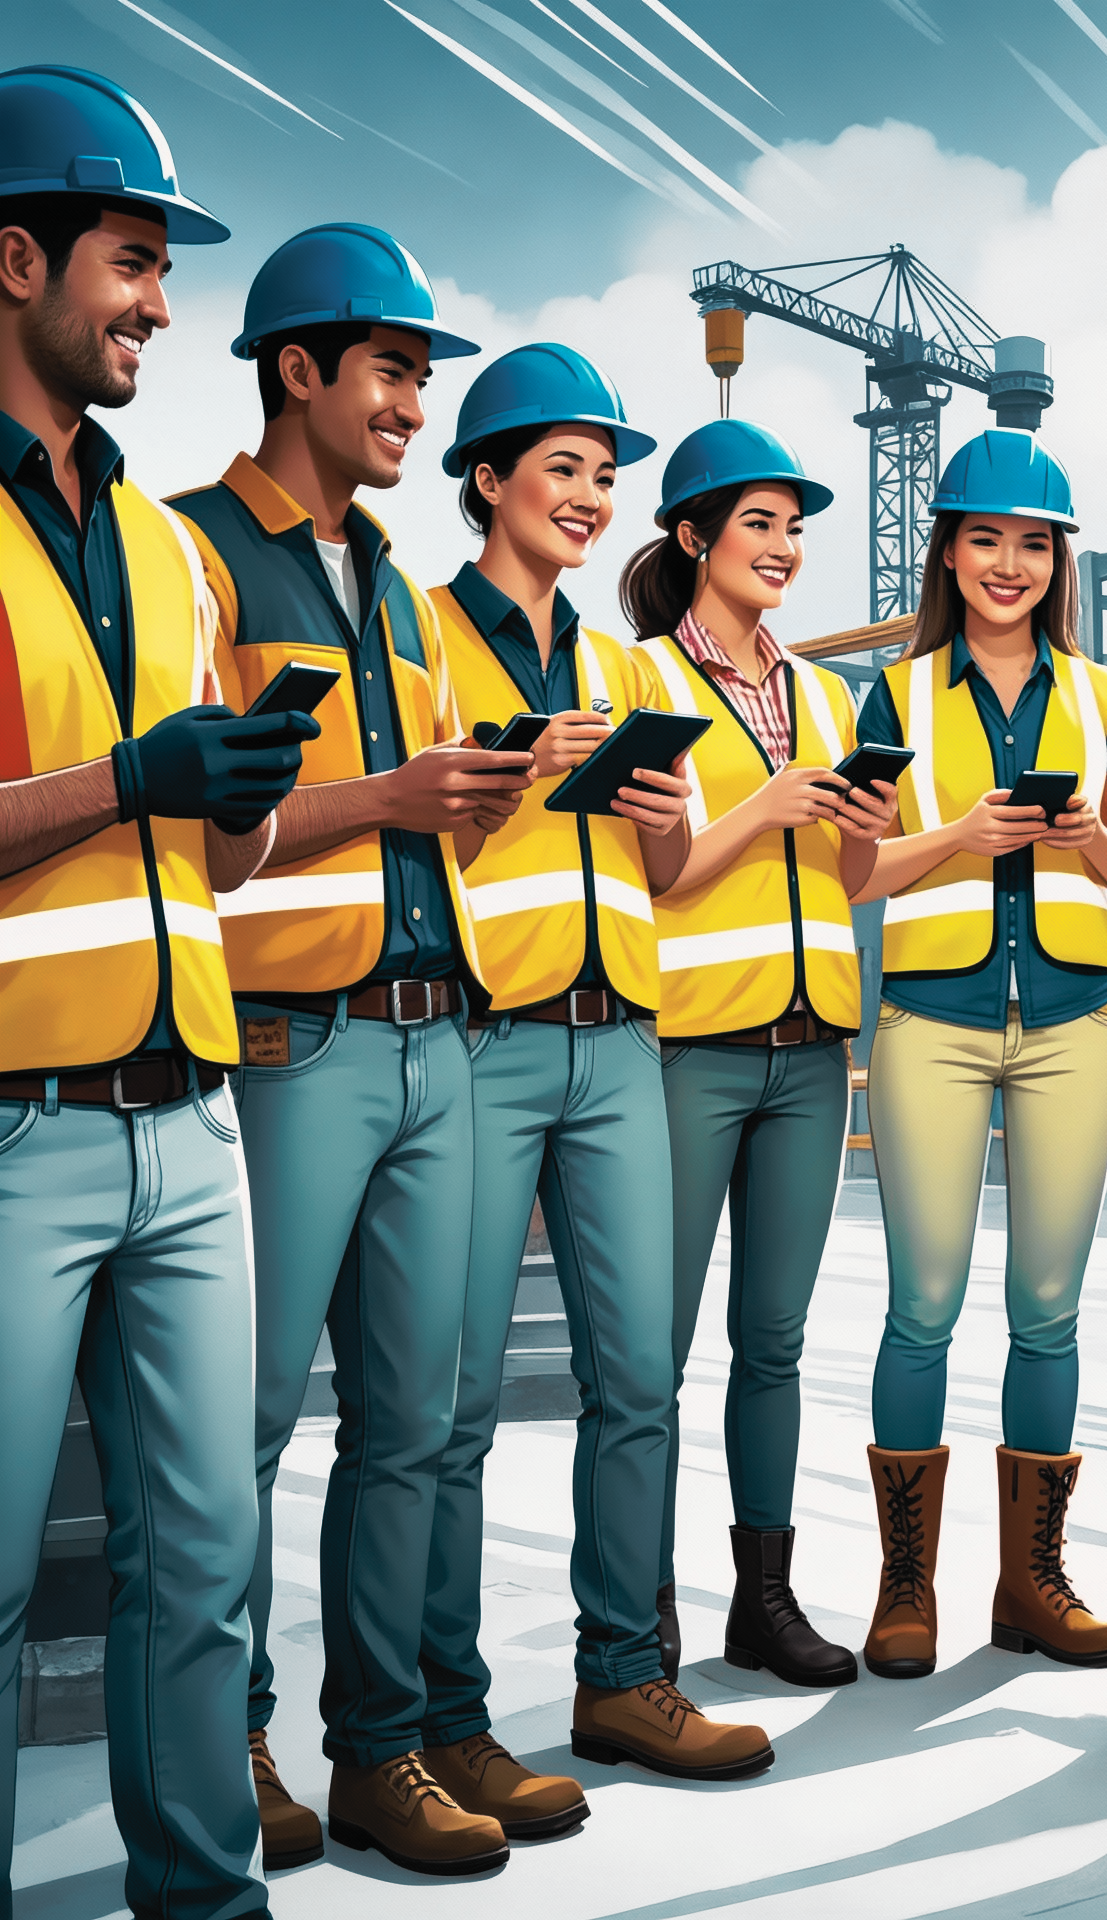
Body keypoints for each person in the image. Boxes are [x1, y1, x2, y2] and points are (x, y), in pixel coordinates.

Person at [169, 223, 535, 1879]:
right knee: (238, 1431)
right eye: (388, 369)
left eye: (421, 376)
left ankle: (380, 1750)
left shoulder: (394, 580)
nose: (409, 403)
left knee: (412, 1419)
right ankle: (224, 1737)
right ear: (296, 370)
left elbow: (422, 800)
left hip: (428, 1032)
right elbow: (192, 817)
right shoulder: (190, 560)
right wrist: (383, 804)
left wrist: (472, 801)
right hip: (281, 1042)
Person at [0, 65, 312, 1920]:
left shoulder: (175, 552)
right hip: (13, 1127)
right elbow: (110, 803)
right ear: (16, 254)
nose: (161, 306)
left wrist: (236, 803)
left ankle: (206, 1901)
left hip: (189, 1125)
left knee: (203, 1564)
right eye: (130, 261)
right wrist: (133, 780)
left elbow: (206, 866)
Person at [424, 343, 774, 1793]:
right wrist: (505, 765)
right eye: (560, 467)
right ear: (488, 481)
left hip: (622, 1040)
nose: (588, 495)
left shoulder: (634, 665)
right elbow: (406, 832)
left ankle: (626, 1677)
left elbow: (675, 861)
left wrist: (649, 797)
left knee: (638, 1378)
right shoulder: (419, 638)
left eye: (604, 476)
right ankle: (438, 1715)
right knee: (446, 1403)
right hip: (484, 1041)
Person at [850, 429, 1107, 1679]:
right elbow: (856, 872)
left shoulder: (1096, 697)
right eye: (987, 539)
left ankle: (1031, 1584)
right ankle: (906, 1586)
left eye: (1034, 544)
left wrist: (1085, 834)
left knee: (1048, 1312)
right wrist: (964, 836)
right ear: (948, 550)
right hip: (931, 1025)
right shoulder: (900, 695)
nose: (1010, 564)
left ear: (1059, 561)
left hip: (1075, 1028)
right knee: (920, 1308)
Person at [626, 418, 893, 1690]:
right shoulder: (640, 684)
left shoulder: (830, 695)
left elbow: (849, 878)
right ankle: (645, 1609)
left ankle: (764, 1600)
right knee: (655, 1350)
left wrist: (862, 821)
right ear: (693, 538)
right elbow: (660, 868)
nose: (785, 548)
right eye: (760, 525)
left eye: (796, 527)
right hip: (693, 1048)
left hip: (810, 1051)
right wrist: (766, 805)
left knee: (773, 1343)